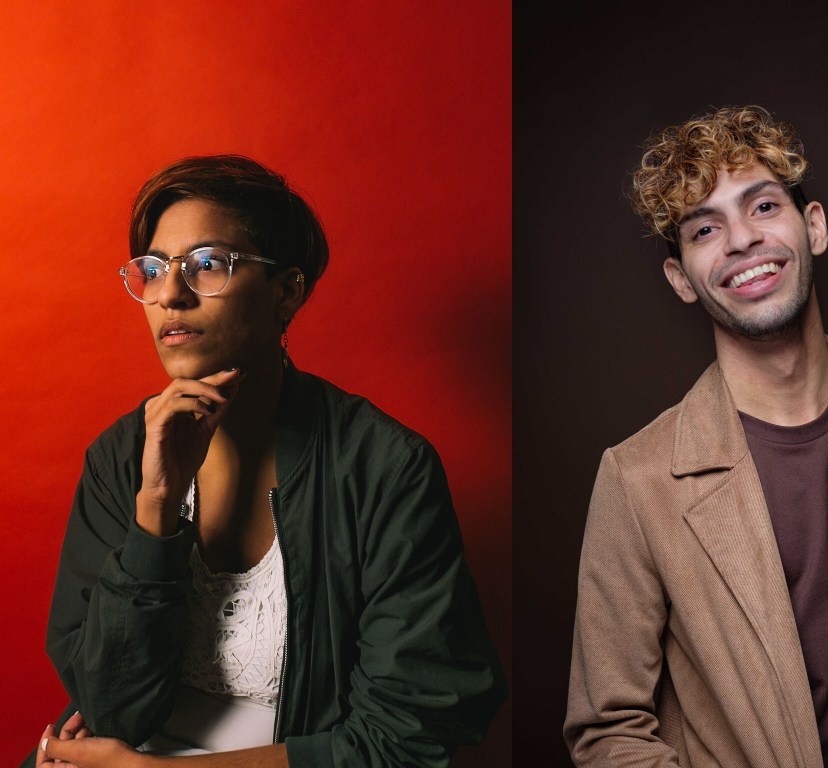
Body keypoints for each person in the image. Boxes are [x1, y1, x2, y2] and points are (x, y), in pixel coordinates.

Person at [563, 106, 828, 767]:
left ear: (814, 227)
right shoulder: (637, 478)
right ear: (681, 278)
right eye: (705, 228)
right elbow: (607, 731)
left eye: (763, 206)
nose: (741, 240)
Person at [30, 155, 505, 768]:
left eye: (207, 265)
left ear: (287, 291)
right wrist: (155, 511)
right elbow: (108, 707)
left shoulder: (387, 469)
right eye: (153, 269)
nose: (170, 293)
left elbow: (409, 735)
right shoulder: (120, 457)